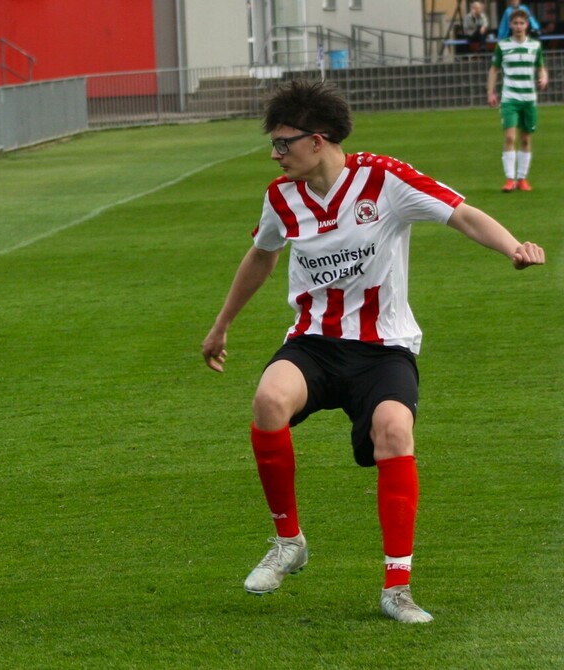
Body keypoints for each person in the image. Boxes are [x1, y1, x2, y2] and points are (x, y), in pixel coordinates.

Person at [201, 78, 544, 623]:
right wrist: (221, 326)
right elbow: (261, 257)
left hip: (383, 347)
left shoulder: (384, 179)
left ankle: (396, 588)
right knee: (268, 400)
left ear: (317, 140)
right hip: (314, 341)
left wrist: (513, 248)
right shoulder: (280, 197)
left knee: (394, 431)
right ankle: (288, 542)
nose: (275, 154)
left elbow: (460, 213)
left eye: (283, 142)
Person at [488, 9, 548, 192]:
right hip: (510, 98)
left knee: (525, 139)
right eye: (515, 23)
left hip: (528, 99)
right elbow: (494, 69)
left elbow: (541, 67)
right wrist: (491, 92)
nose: (519, 26)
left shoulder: (535, 46)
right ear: (511, 25)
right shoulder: (503, 46)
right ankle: (509, 179)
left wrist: (543, 78)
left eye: (522, 23)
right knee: (509, 137)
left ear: (527, 25)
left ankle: (522, 178)